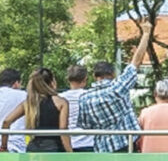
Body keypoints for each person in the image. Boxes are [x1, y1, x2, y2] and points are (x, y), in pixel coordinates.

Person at [67, 19, 156, 152]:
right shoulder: (118, 88)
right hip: (126, 144)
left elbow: (85, 125)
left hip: (102, 149)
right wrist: (146, 34)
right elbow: (136, 62)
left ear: (95, 76)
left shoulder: (85, 98)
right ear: (113, 74)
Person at [24, 68, 67, 152]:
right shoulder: (61, 102)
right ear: (52, 82)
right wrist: (70, 153)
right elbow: (63, 131)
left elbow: (7, 121)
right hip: (54, 148)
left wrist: (4, 145)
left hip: (33, 147)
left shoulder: (29, 103)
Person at [62, 63, 95, 151]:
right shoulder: (91, 95)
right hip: (89, 143)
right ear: (85, 79)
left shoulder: (60, 98)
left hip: (68, 144)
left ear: (68, 80)